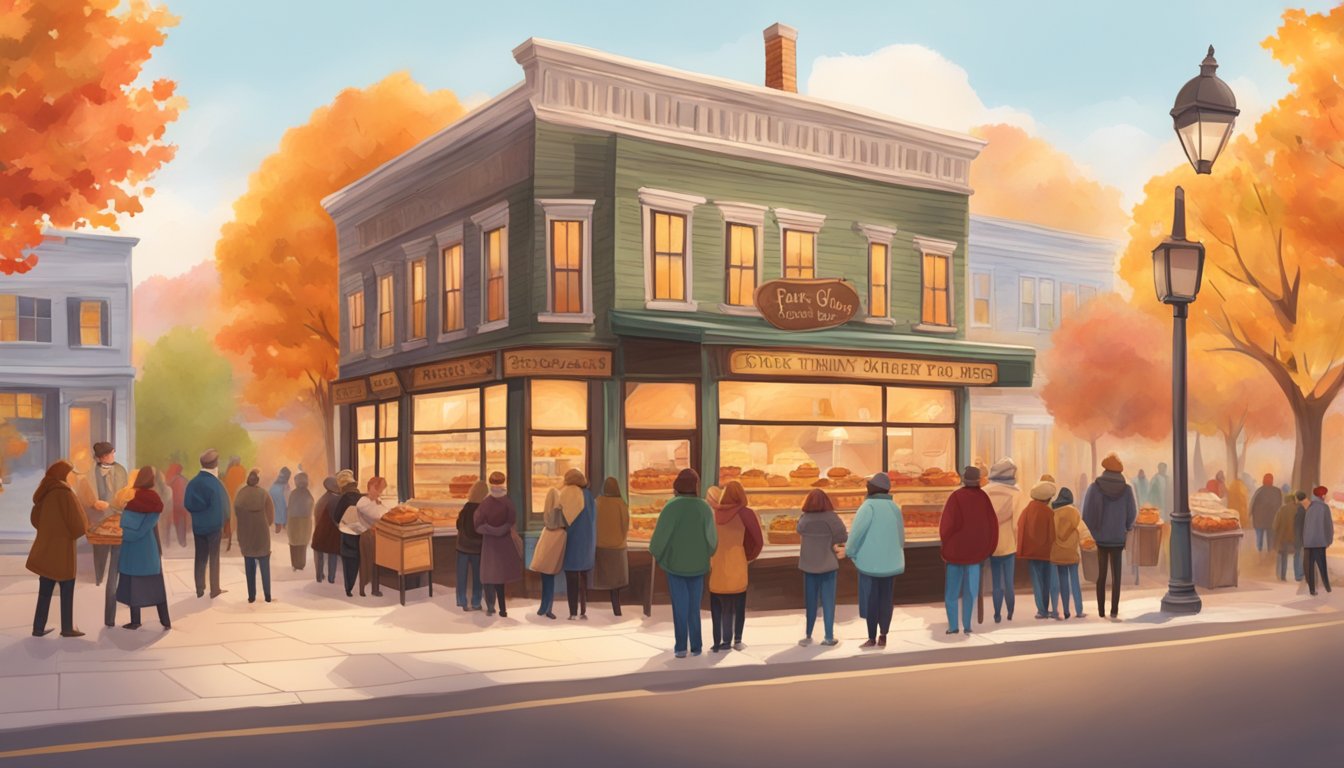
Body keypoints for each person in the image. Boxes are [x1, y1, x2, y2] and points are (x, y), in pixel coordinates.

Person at [650, 468, 716, 658]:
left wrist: (657, 554)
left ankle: (680, 647)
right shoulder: (704, 507)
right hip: (698, 566)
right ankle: (696, 646)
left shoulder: (671, 507)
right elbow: (712, 540)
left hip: (676, 565)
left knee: (680, 606)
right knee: (694, 607)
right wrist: (706, 554)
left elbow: (659, 539)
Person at [28, 461, 89, 637]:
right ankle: (67, 628)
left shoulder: (44, 492)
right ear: (63, 475)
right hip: (62, 551)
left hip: (46, 549)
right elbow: (78, 525)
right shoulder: (65, 493)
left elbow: (35, 519)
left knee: (45, 590)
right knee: (67, 588)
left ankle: (38, 628)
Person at [846, 472, 905, 649]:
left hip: (869, 564)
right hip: (891, 563)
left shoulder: (868, 507)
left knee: (870, 600)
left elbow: (856, 534)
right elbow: (901, 537)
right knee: (886, 600)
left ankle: (871, 637)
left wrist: (850, 551)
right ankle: (884, 636)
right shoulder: (895, 508)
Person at [939, 466, 998, 635]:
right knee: (970, 592)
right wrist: (989, 548)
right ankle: (967, 625)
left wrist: (946, 545)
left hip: (955, 553)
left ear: (963, 479)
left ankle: (953, 626)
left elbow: (946, 527)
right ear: (979, 480)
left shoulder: (955, 497)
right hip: (976, 554)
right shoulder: (984, 498)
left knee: (951, 592)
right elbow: (992, 526)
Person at [708, 480, 763, 652]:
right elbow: (758, 541)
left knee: (718, 603)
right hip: (737, 561)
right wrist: (748, 556)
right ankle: (736, 640)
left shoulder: (713, 514)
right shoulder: (746, 513)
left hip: (717, 561)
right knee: (738, 604)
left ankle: (719, 642)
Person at [1082, 453, 1137, 620]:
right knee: (1117, 575)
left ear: (1105, 468)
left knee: (1101, 574)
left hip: (1100, 538)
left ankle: (1100, 611)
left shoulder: (1094, 487)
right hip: (1118, 538)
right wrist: (1125, 528)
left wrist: (1094, 530)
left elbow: (1086, 514)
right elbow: (1132, 513)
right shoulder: (1127, 489)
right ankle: (1114, 610)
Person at [116, 467, 171, 629]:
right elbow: (147, 526)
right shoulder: (155, 501)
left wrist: (127, 534)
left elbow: (125, 524)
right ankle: (165, 621)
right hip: (147, 550)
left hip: (131, 550)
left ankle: (135, 621)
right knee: (155, 586)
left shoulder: (133, 501)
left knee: (133, 586)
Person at [797, 489, 847, 647]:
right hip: (828, 564)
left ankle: (808, 634)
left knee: (810, 601)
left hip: (809, 565)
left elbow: (798, 530)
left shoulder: (804, 518)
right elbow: (842, 536)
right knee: (828, 601)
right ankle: (829, 636)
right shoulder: (832, 517)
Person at [183, 449, 230, 599]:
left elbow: (187, 504)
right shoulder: (216, 484)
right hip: (214, 527)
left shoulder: (192, 483)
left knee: (200, 556)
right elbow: (226, 507)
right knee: (214, 557)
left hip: (198, 526)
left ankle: (199, 588)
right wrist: (227, 522)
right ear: (215, 465)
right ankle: (214, 589)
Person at [475, 472, 523, 617]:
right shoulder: (508, 502)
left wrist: (490, 530)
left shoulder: (485, 503)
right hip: (504, 543)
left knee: (489, 576)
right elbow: (511, 520)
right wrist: (501, 530)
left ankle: (490, 607)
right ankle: (502, 609)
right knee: (500, 579)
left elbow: (477, 524)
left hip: (490, 544)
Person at [984, 458, 1020, 623]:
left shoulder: (984, 492)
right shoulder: (1016, 494)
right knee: (1009, 582)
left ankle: (997, 614)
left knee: (996, 582)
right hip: (1009, 545)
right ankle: (1010, 613)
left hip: (992, 544)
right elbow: (1017, 523)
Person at [88, 441, 129, 588]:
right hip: (97, 516)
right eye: (111, 453)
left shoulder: (121, 470)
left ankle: (116, 579)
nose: (113, 455)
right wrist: (93, 503)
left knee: (117, 550)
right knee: (99, 549)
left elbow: (124, 494)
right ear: (102, 457)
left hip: (117, 515)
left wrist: (113, 506)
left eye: (113, 452)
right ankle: (98, 578)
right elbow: (85, 492)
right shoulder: (90, 471)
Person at [1018, 479, 1059, 619]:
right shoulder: (1048, 513)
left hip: (1031, 552)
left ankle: (1041, 610)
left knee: (1037, 581)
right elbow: (1053, 534)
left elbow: (1020, 528)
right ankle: (1048, 607)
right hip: (1047, 552)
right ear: (1046, 499)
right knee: (1048, 580)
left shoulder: (1026, 510)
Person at [559, 470, 597, 620]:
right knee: (583, 578)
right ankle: (583, 610)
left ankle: (573, 612)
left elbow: (562, 516)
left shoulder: (569, 493)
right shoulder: (589, 495)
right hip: (587, 541)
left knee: (572, 579)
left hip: (572, 540)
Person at [234, 470, 276, 603]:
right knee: (264, 566)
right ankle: (267, 595)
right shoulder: (264, 494)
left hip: (246, 533)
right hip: (262, 533)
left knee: (249, 566)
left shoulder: (240, 495)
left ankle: (251, 596)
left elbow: (237, 514)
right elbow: (270, 515)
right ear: (257, 481)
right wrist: (264, 524)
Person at [593, 477, 630, 616]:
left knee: (602, 579)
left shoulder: (597, 502)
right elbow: (625, 525)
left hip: (600, 547)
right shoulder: (621, 504)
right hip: (618, 549)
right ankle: (617, 609)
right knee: (616, 584)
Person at [530, 486, 566, 620]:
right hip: (555, 549)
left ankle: (542, 607)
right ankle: (548, 608)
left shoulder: (547, 515)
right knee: (550, 581)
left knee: (545, 580)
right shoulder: (560, 513)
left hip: (545, 548)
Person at [1049, 487, 1085, 619]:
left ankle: (1066, 611)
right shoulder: (1074, 512)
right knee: (1074, 581)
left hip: (1057, 552)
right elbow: (1081, 528)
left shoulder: (1053, 513)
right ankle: (1079, 610)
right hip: (1071, 552)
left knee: (1063, 581)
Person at [352, 477, 391, 597]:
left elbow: (385, 513)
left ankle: (374, 588)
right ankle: (362, 589)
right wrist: (378, 504)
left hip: (375, 536)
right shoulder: (363, 502)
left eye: (380, 490)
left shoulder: (376, 501)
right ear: (370, 487)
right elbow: (377, 515)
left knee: (375, 563)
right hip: (366, 537)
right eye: (377, 489)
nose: (378, 492)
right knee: (366, 562)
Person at [455, 481, 487, 612]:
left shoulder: (466, 508)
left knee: (461, 576)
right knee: (478, 577)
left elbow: (458, 525)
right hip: (477, 549)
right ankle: (476, 602)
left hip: (462, 547)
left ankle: (462, 601)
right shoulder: (484, 510)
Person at [331, 470, 363, 597]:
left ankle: (348, 588)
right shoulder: (361, 497)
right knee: (357, 559)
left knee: (347, 560)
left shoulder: (344, 498)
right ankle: (355, 585)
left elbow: (337, 516)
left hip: (347, 532)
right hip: (360, 533)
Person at [1303, 486, 1334, 596]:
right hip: (1319, 542)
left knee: (1310, 567)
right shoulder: (1324, 508)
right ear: (1322, 495)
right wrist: (1329, 539)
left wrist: (1305, 540)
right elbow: (1328, 525)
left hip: (1308, 542)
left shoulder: (1310, 507)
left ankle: (1312, 590)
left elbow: (1305, 526)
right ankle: (1327, 588)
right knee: (1322, 567)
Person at [311, 476, 342, 585]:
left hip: (319, 531)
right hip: (331, 532)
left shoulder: (321, 499)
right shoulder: (336, 500)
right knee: (332, 554)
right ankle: (331, 578)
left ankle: (319, 576)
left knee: (319, 554)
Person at [1272, 490, 1304, 582]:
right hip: (1296, 537)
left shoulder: (1282, 509)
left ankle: (1282, 576)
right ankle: (1297, 575)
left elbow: (1275, 525)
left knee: (1283, 556)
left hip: (1284, 537)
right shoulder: (1298, 509)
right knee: (1297, 555)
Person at [286, 472, 314, 571]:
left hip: (294, 521)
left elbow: (289, 508)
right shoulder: (308, 493)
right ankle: (301, 564)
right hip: (305, 522)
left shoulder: (293, 493)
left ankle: (295, 564)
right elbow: (311, 506)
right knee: (302, 544)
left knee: (294, 543)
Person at [1250, 474, 1281, 554]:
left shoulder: (1259, 491)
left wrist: (1250, 514)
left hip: (1259, 520)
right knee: (1270, 537)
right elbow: (1279, 505)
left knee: (1259, 537)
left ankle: (1259, 552)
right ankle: (1269, 552)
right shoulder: (1277, 491)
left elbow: (1252, 504)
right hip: (1271, 519)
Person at [222, 456, 246, 552]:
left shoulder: (230, 470)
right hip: (240, 495)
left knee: (230, 517)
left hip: (230, 496)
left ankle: (228, 535)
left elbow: (227, 483)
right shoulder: (242, 469)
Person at [165, 462, 189, 548]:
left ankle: (168, 543)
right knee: (181, 523)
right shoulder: (184, 480)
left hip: (174, 506)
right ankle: (182, 541)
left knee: (174, 522)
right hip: (182, 506)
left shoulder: (169, 480)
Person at [153, 466, 174, 548]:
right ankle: (165, 543)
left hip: (156, 513)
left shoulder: (153, 489)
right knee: (164, 529)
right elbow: (169, 503)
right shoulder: (168, 489)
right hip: (165, 512)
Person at [270, 467, 291, 535]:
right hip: (280, 509)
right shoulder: (285, 485)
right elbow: (287, 498)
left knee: (278, 527)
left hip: (276, 508)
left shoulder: (275, 484)